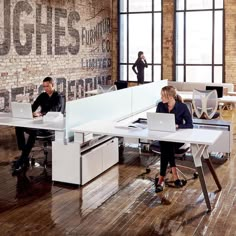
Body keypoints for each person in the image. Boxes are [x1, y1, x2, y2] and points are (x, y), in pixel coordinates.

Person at [12, 77, 63, 176]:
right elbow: (33, 106)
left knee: (33, 131)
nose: (45, 88)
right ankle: (24, 153)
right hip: (41, 123)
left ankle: (22, 160)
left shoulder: (59, 97)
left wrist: (41, 113)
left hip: (51, 127)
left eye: (47, 86)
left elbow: (56, 110)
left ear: (53, 85)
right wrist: (28, 112)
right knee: (18, 127)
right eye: (44, 86)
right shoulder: (43, 95)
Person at [155, 85, 193, 193]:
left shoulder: (182, 107)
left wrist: (178, 126)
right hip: (164, 136)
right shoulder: (160, 106)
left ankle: (161, 180)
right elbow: (158, 121)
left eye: (163, 95)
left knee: (167, 147)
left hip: (178, 139)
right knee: (166, 144)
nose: (161, 98)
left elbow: (190, 125)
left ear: (170, 96)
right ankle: (175, 175)